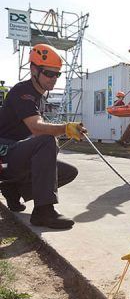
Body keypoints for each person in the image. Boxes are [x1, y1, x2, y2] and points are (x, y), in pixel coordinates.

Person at [0, 43, 86, 229]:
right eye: (49, 73)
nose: (54, 78)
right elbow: (37, 128)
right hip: (4, 153)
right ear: (33, 70)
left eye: (57, 74)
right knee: (47, 139)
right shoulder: (23, 92)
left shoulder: (40, 97)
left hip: (14, 154)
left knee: (67, 172)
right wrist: (66, 128)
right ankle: (43, 211)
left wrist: (66, 131)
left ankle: (12, 188)